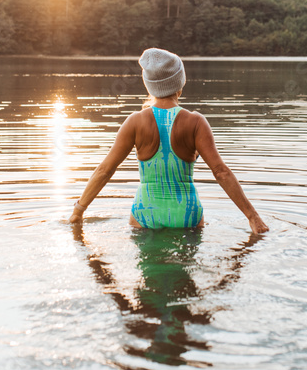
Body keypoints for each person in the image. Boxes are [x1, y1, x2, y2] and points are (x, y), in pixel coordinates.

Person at [68, 48, 268, 234]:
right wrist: (253, 217)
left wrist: (79, 210)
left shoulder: (135, 121)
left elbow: (105, 170)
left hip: (145, 212)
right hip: (187, 214)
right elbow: (221, 172)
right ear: (180, 83)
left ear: (149, 84)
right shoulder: (196, 122)